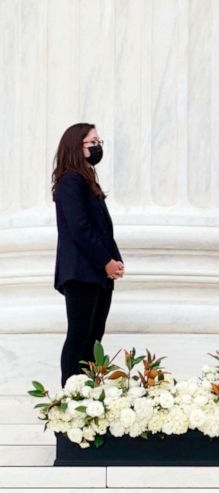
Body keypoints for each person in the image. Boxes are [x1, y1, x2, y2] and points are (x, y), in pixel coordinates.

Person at [52, 123, 125, 386]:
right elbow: (80, 227)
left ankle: (88, 393)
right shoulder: (71, 180)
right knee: (79, 336)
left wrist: (115, 259)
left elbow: (103, 228)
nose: (97, 147)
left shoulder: (86, 179)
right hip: (82, 272)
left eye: (99, 142)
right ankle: (70, 400)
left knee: (94, 339)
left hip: (97, 272)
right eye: (92, 142)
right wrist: (105, 261)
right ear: (76, 146)